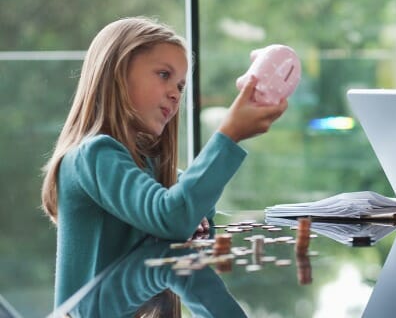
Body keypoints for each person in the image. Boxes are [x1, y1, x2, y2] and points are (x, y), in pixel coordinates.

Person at [40, 16, 287, 306]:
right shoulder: (93, 155)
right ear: (118, 73)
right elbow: (172, 216)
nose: (175, 93)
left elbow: (192, 210)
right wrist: (228, 136)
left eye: (181, 86)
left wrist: (197, 218)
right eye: (163, 75)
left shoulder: (144, 164)